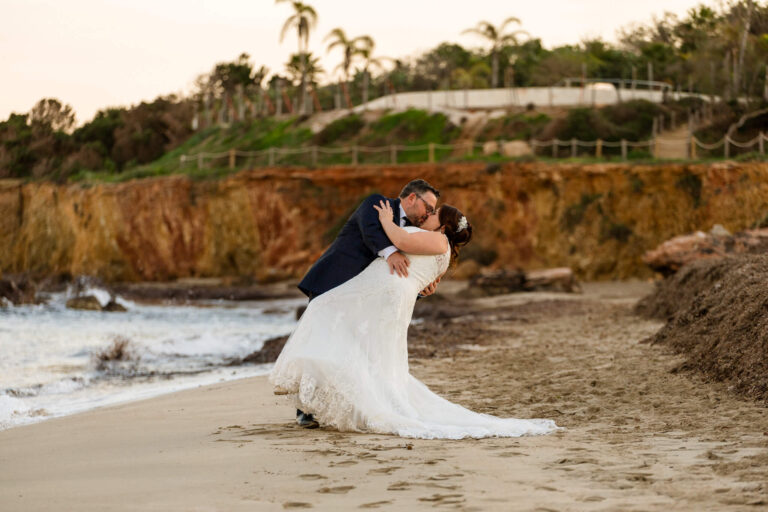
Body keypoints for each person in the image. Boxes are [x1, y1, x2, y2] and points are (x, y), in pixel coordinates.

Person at [270, 200, 559, 439]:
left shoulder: (437, 239)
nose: (428, 216)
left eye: (433, 214)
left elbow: (398, 239)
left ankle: (320, 396)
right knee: (371, 350)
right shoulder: (442, 251)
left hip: (384, 293)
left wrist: (385, 217)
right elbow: (422, 281)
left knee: (323, 308)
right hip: (391, 297)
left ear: (444, 226)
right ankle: (324, 399)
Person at [293, 179, 442, 428]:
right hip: (334, 285)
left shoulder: (414, 234)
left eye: (433, 211)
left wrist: (422, 290)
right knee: (320, 347)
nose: (429, 214)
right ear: (412, 198)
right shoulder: (378, 203)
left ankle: (346, 407)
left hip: (363, 301)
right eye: (428, 207)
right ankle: (304, 409)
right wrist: (391, 252)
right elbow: (369, 229)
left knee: (355, 353)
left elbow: (402, 276)